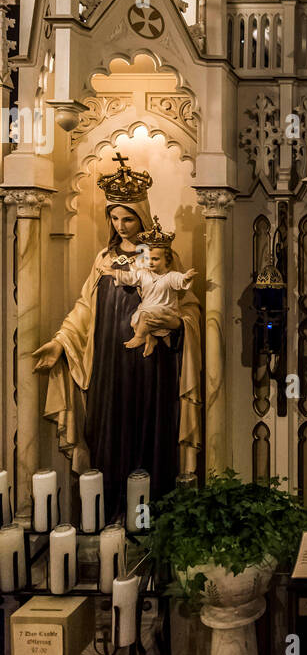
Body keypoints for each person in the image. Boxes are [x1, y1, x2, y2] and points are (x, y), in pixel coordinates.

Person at [32, 158, 201, 520]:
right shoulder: (104, 258)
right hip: (110, 363)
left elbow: (189, 308)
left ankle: (153, 517)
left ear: (142, 217)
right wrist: (61, 341)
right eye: (114, 218)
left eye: (128, 218)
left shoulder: (162, 257)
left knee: (150, 429)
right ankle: (110, 516)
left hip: (152, 365)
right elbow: (85, 309)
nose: (121, 226)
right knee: (109, 430)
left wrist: (174, 322)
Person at [105, 219, 197, 357]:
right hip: (147, 308)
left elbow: (180, 281)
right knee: (137, 320)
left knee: (145, 319)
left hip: (164, 309)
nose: (150, 262)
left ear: (167, 260)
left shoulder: (170, 276)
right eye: (147, 259)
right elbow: (129, 277)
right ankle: (150, 339)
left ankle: (140, 337)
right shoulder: (144, 274)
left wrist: (186, 278)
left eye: (155, 259)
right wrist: (114, 273)